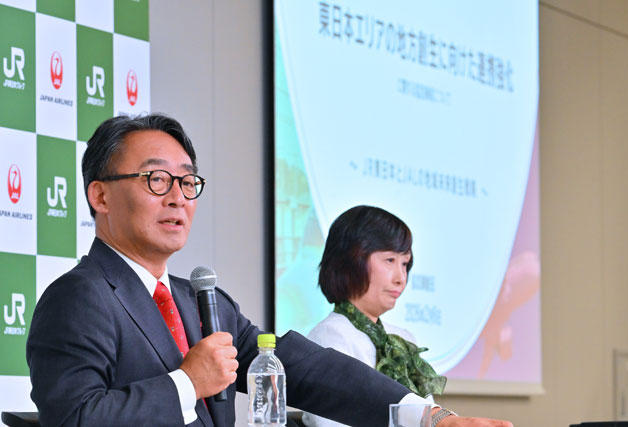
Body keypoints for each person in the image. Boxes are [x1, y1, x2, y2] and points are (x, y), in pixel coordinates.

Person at [25, 114, 443, 427]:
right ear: (100, 196)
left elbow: (304, 369)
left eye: (187, 182)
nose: (178, 197)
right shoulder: (79, 297)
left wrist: (429, 417)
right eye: (156, 179)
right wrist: (188, 383)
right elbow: (74, 417)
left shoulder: (201, 301)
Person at [302, 205, 513, 427]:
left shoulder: (402, 339)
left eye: (405, 264)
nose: (401, 278)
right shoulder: (328, 337)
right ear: (351, 259)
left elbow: (426, 420)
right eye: (390, 261)